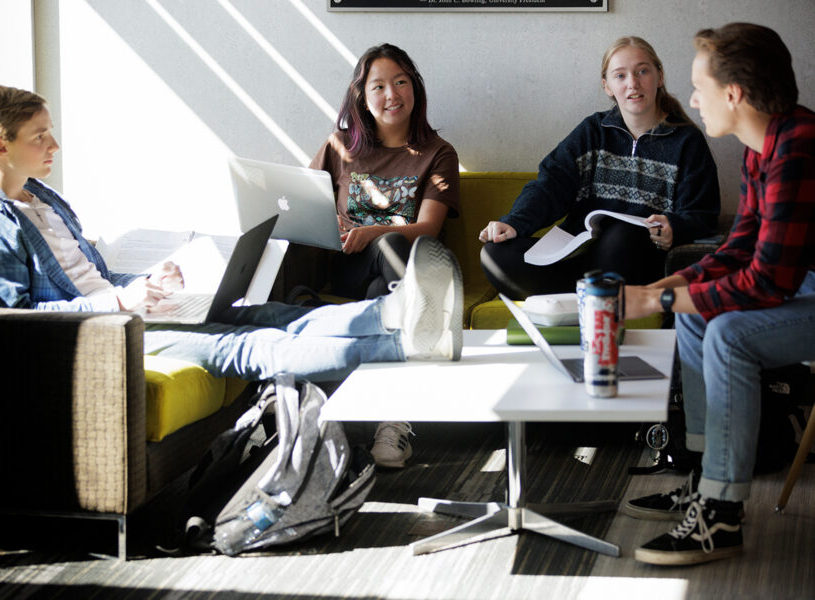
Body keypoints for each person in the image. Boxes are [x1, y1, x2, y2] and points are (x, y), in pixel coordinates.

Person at [0, 85, 464, 469]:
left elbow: (90, 275)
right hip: (103, 338)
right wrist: (120, 305)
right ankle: (406, 343)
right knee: (257, 345)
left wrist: (144, 280)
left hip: (130, 313)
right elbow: (15, 319)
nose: (53, 146)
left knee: (275, 314)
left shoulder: (38, 196)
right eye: (39, 135)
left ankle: (395, 313)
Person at [621, 23, 815, 566]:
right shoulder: (762, 147)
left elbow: (768, 281)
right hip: (804, 283)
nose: (694, 99)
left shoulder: (800, 148)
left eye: (699, 87)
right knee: (697, 315)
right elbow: (740, 247)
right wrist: (673, 285)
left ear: (734, 94)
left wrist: (652, 303)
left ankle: (722, 514)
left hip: (803, 286)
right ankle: (706, 482)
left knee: (727, 330)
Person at [479, 36, 721, 300]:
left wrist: (675, 227)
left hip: (635, 262)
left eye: (642, 71)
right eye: (620, 75)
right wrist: (515, 222)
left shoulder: (687, 142)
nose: (633, 83)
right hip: (578, 254)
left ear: (659, 76)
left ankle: (585, 300)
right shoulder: (592, 131)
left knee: (619, 238)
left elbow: (703, 215)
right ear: (607, 86)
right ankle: (589, 300)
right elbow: (551, 184)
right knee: (495, 254)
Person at [310, 43, 460, 300]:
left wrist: (373, 232)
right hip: (351, 266)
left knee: (381, 287)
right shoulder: (340, 146)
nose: (392, 94)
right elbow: (302, 202)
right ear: (364, 100)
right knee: (390, 247)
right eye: (379, 87)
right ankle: (420, 323)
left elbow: (428, 229)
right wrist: (325, 221)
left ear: (415, 88)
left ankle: (391, 324)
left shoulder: (439, 154)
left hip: (412, 264)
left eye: (401, 82)